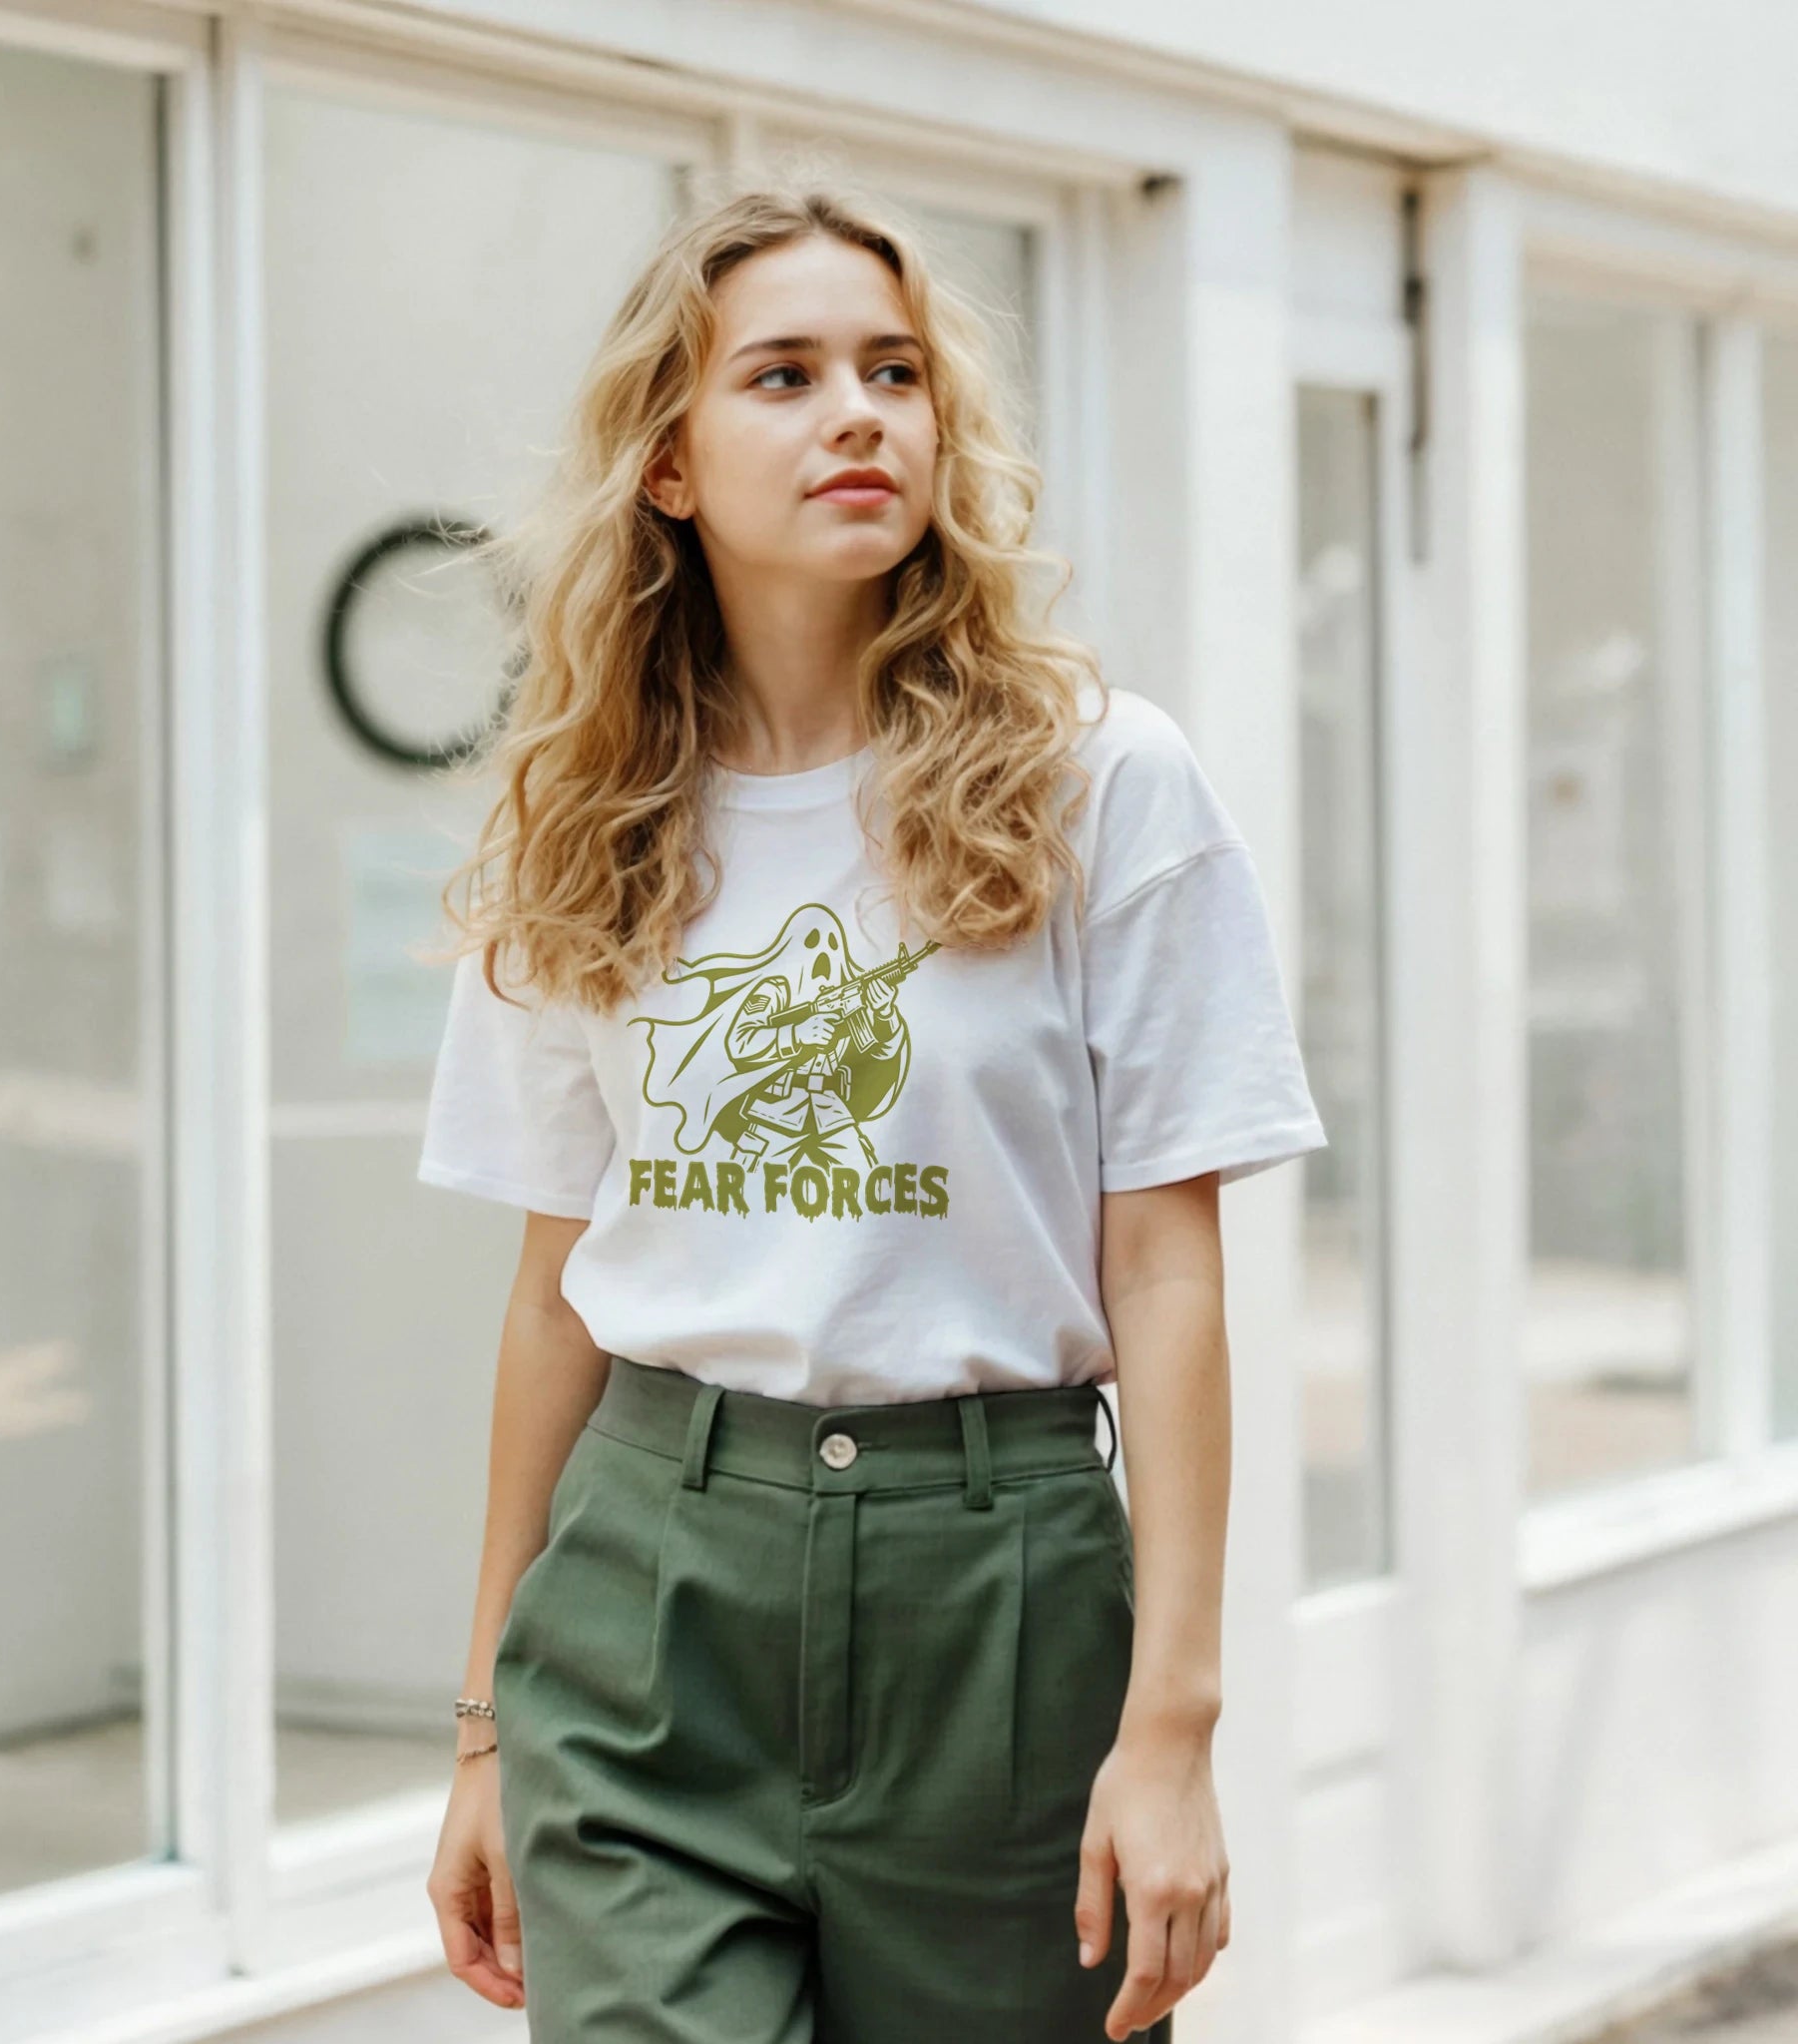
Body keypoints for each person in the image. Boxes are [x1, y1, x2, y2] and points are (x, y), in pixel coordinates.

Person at [416, 174, 1326, 2043]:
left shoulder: (1102, 781)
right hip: (651, 1605)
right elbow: (551, 1297)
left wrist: (1171, 1729)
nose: (858, 414)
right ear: (668, 463)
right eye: (786, 375)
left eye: (895, 371)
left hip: (998, 1604)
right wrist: (485, 1732)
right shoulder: (579, 821)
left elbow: (1168, 1276)